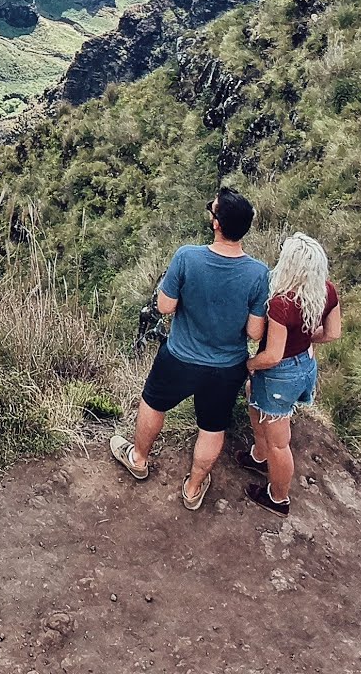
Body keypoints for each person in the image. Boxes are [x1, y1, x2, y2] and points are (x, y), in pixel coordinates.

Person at [110, 187, 270, 510]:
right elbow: (254, 330)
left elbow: (165, 306)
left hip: (181, 355)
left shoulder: (187, 257)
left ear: (216, 224)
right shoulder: (258, 274)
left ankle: (139, 459)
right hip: (226, 367)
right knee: (212, 427)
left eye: (212, 210)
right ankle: (194, 488)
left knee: (153, 402)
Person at [241, 231, 342, 517]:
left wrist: (250, 363)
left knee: (279, 442)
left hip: (279, 374)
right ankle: (258, 456)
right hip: (305, 366)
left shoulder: (281, 304)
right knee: (253, 397)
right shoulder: (327, 291)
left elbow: (272, 356)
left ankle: (278, 498)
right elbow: (333, 333)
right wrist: (306, 339)